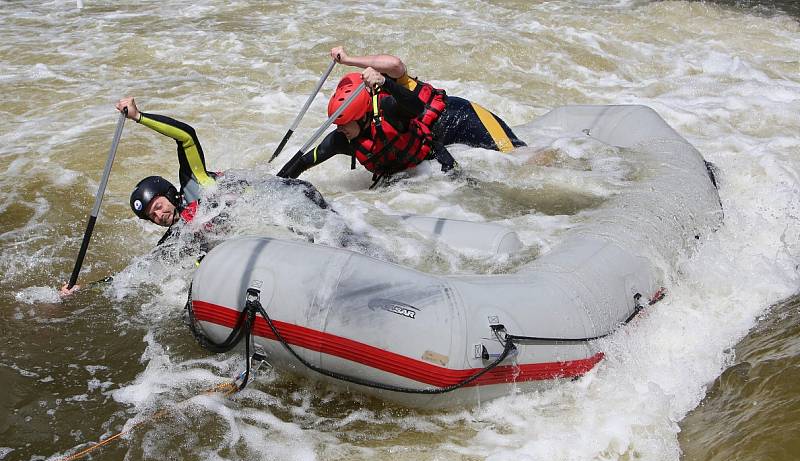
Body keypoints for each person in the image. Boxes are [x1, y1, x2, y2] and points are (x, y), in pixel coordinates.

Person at [60, 97, 329, 297]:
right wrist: (83, 289)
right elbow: (137, 272)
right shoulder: (177, 239)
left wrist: (139, 117)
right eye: (152, 215)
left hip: (288, 199)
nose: (159, 214)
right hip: (259, 240)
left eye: (158, 206)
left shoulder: (196, 184)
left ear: (169, 194)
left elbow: (186, 137)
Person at [277, 46, 527, 184]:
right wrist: (275, 185)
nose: (340, 129)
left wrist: (352, 61)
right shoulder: (345, 138)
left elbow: (397, 69)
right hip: (428, 144)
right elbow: (303, 162)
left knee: (519, 159)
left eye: (344, 123)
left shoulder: (390, 100)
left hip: (457, 117)